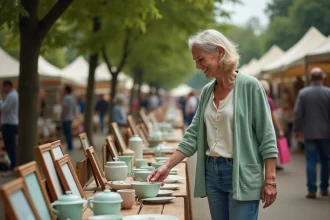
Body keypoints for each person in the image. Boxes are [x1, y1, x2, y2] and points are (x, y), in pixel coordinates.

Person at [147, 29, 278, 220]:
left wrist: (270, 180)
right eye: (195, 61)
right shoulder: (208, 91)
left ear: (219, 52)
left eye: (200, 59)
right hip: (212, 175)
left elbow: (267, 136)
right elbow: (193, 135)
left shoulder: (251, 86)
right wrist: (167, 166)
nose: (198, 66)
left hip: (241, 174)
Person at [293, 67, 330, 199]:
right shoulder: (328, 92)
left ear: (310, 79)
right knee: (326, 161)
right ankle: (324, 187)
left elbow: (297, 114)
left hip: (309, 133)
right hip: (326, 134)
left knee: (311, 161)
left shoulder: (303, 93)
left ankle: (312, 189)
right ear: (322, 78)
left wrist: (296, 130)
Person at [260, 80, 284, 171]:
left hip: (258, 126)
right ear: (267, 90)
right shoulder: (269, 100)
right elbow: (273, 115)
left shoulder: (254, 98)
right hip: (269, 126)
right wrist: (279, 128)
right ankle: (272, 166)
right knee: (271, 145)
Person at [0, 80, 18, 170]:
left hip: (9, 124)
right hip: (11, 123)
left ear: (7, 86)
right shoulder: (14, 95)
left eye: (3, 86)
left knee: (10, 146)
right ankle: (13, 164)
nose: (2, 89)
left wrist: (1, 98)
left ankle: (13, 165)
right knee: (11, 145)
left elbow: (3, 109)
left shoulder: (11, 96)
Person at [61, 85, 76, 151]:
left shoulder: (66, 98)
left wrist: (61, 117)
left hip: (66, 118)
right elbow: (74, 109)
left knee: (67, 132)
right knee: (69, 132)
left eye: (63, 90)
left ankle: (69, 147)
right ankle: (70, 146)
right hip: (71, 117)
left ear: (66, 90)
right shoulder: (72, 98)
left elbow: (65, 108)